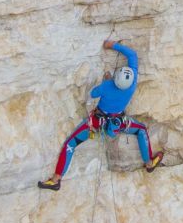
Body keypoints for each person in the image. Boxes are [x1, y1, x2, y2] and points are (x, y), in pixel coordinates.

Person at [38, 40, 164, 189]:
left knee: (70, 144)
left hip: (97, 122)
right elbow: (132, 55)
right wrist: (114, 46)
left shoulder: (106, 86)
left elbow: (93, 93)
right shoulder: (132, 83)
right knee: (141, 129)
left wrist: (107, 78)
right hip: (119, 122)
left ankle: (56, 179)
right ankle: (149, 163)